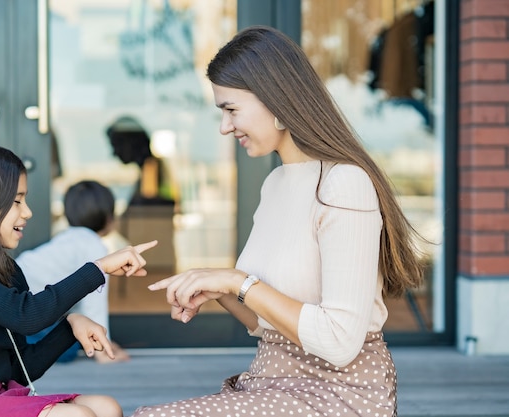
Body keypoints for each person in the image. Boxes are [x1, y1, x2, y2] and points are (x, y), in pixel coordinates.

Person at [133, 25, 426, 417]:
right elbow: (265, 324)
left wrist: (236, 281)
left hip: (339, 392)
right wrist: (216, 288)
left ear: (277, 100)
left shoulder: (344, 183)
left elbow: (340, 341)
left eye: (231, 110)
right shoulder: (276, 183)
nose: (224, 126)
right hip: (272, 380)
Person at [0, 138, 157, 417]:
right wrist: (98, 268)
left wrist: (70, 326)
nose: (28, 212)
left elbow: (24, 368)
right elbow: (26, 315)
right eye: (16, 201)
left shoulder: (6, 269)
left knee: (106, 408)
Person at [16, 179, 130, 364]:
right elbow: (94, 302)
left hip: (19, 303)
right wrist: (103, 350)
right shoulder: (94, 245)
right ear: (109, 218)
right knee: (68, 348)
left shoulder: (67, 238)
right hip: (27, 311)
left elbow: (78, 300)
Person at [105, 115, 176, 207]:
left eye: (116, 145)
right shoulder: (149, 169)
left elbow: (148, 211)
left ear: (130, 143)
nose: (114, 153)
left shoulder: (151, 169)